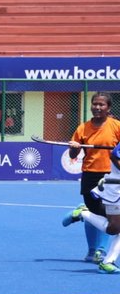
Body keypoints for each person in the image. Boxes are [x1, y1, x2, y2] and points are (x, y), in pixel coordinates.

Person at [61, 92, 120, 263]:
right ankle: (93, 249)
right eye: (95, 104)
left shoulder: (116, 126)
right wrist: (74, 147)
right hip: (91, 176)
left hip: (111, 177)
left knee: (110, 216)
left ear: (108, 108)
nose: (98, 107)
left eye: (102, 105)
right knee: (97, 213)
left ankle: (99, 251)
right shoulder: (82, 128)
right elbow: (73, 154)